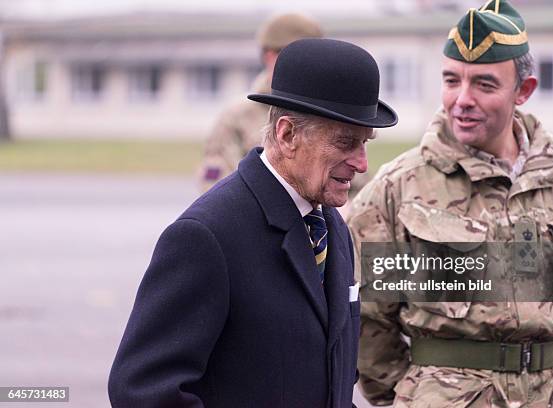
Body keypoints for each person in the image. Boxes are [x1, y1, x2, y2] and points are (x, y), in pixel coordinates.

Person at [108, 38, 398, 407]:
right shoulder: (206, 237)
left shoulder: (331, 227)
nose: (361, 164)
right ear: (287, 134)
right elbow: (142, 392)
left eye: (365, 143)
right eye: (345, 143)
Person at [346, 1, 553, 407]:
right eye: (451, 81)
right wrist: (420, 395)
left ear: (523, 91)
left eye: (484, 84)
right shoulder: (400, 186)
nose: (462, 99)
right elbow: (366, 321)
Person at [198, 13, 323, 191]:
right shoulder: (237, 116)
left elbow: (358, 185)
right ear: (270, 56)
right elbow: (216, 187)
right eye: (298, 57)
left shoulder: (329, 113)